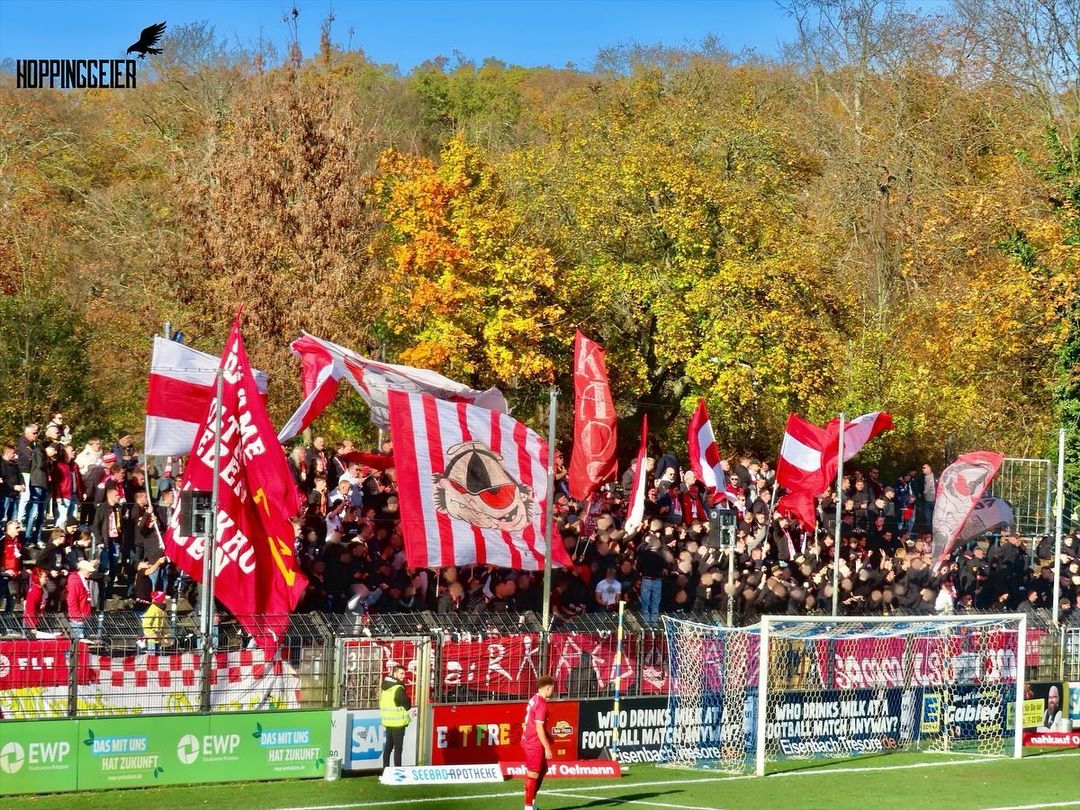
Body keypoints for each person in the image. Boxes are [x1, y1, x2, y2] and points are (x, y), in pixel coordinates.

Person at [522, 674, 556, 810]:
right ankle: (528, 807)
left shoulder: (534, 698)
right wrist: (547, 747)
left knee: (542, 770)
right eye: (552, 688)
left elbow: (535, 723)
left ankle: (532, 801)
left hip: (531, 740)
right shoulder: (541, 703)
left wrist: (548, 735)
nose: (553, 691)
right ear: (548, 688)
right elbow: (538, 727)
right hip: (533, 743)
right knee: (534, 773)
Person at [379, 664, 411, 769]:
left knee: (388, 747)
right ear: (395, 673)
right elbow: (407, 705)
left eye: (404, 673)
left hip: (388, 722)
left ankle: (385, 770)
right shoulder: (398, 688)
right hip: (397, 723)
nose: (404, 676)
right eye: (401, 673)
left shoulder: (385, 687)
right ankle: (397, 771)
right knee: (398, 749)